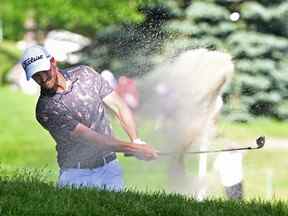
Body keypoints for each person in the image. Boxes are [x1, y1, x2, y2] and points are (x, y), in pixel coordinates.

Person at [21, 45, 158, 191]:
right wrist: (135, 148)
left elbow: (118, 106)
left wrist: (135, 140)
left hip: (110, 169)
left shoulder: (85, 74)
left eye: (44, 70)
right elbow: (93, 139)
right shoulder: (46, 109)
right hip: (76, 175)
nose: (42, 78)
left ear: (53, 62)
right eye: (36, 75)